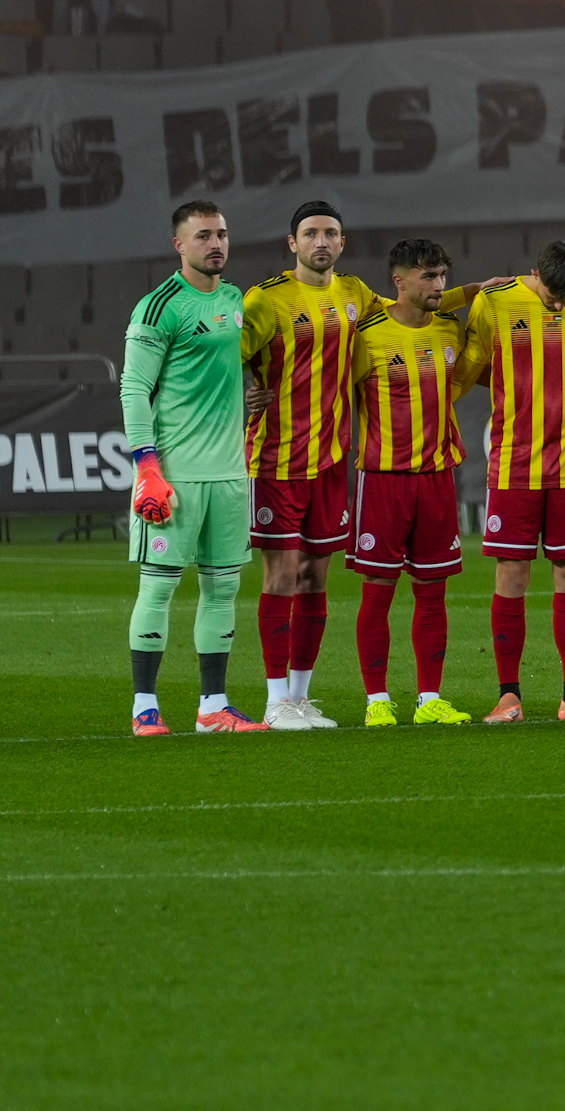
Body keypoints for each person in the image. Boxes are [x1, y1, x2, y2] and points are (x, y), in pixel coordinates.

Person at [461, 237, 565, 722]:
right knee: (512, 575)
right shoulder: (496, 300)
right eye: (552, 295)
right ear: (535, 272)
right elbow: (470, 367)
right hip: (513, 461)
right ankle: (508, 696)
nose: (558, 305)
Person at [123, 197, 262, 737]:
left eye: (222, 234)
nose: (216, 244)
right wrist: (147, 466)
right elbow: (134, 388)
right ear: (179, 245)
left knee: (222, 589)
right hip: (174, 476)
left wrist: (244, 400)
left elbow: (225, 371)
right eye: (203, 236)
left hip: (229, 474)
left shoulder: (233, 300)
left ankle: (213, 707)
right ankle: (144, 706)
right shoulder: (159, 306)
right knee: (158, 588)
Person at [239, 197, 380, 728]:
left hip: (332, 459)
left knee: (316, 577)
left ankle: (299, 697)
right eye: (311, 233)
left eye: (331, 234)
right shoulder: (266, 299)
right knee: (281, 575)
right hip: (276, 459)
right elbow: (225, 356)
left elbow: (407, 309)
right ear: (292, 244)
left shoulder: (355, 294)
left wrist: (467, 293)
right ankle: (275, 702)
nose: (321, 242)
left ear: (342, 244)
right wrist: (246, 390)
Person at [342, 238, 474, 726]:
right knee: (378, 588)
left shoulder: (449, 331)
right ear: (399, 281)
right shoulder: (367, 334)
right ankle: (377, 701)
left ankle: (429, 700)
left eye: (442, 275)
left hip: (438, 477)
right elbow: (331, 388)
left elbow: (462, 380)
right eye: (428, 277)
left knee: (433, 589)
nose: (439, 285)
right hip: (382, 479)